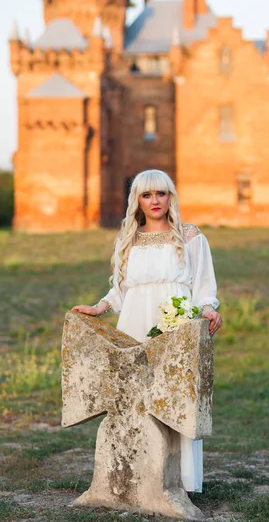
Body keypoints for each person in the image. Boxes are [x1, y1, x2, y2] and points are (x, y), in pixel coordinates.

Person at [72, 169, 222, 493]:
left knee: (175, 395)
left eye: (161, 193)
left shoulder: (190, 235)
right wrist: (98, 308)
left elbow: (203, 285)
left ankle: (178, 482)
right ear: (137, 200)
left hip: (175, 324)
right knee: (136, 395)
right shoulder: (129, 238)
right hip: (136, 324)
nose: (155, 201)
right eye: (147, 195)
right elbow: (121, 289)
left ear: (171, 196)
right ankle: (137, 478)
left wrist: (208, 309)